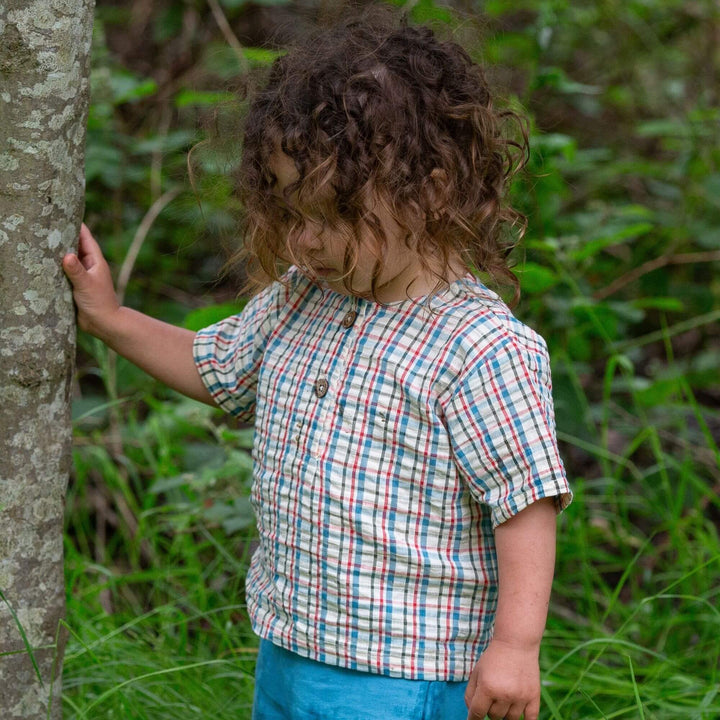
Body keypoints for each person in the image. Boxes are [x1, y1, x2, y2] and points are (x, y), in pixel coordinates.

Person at [63, 8, 571, 720]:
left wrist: (517, 646)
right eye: (290, 212)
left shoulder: (480, 346)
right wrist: (112, 319)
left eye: (330, 215)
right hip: (292, 647)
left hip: (408, 674)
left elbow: (525, 502)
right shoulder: (302, 300)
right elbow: (217, 370)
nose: (303, 241)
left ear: (425, 192)